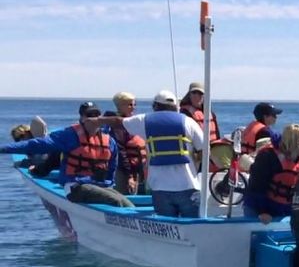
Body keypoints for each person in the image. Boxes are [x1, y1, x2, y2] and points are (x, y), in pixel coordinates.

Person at [88, 90, 207, 218]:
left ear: (155, 106)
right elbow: (204, 151)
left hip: (160, 188)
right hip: (188, 186)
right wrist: (196, 165)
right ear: (175, 106)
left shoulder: (144, 120)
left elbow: (118, 121)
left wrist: (96, 121)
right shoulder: (188, 122)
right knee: (192, 223)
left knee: (165, 225)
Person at [0, 102, 132, 207]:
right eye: (88, 115)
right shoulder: (69, 136)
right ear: (82, 118)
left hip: (99, 186)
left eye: (96, 114)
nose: (93, 118)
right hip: (76, 187)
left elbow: (112, 167)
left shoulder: (109, 141)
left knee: (126, 201)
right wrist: (4, 149)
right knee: (118, 201)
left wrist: (109, 184)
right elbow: (34, 145)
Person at [243, 123, 299, 223]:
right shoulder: (268, 156)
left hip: (285, 207)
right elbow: (256, 186)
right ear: (291, 142)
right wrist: (263, 211)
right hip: (259, 206)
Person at [109, 92, 147, 195]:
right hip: (123, 171)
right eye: (130, 105)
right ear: (120, 106)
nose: (133, 108)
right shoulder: (118, 126)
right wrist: (129, 175)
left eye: (134, 104)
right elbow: (120, 151)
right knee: (125, 196)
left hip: (136, 169)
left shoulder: (131, 123)